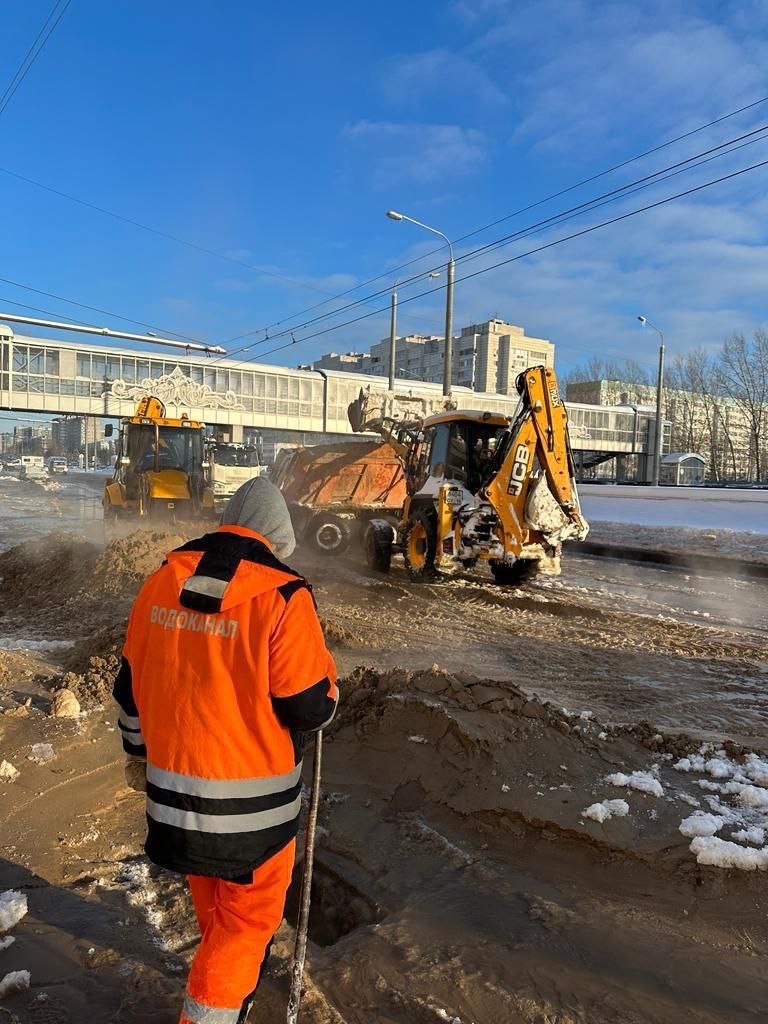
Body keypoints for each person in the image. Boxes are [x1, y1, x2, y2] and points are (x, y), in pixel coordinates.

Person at [113, 477, 338, 1024]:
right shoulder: (283, 594)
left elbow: (129, 687)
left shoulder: (161, 582)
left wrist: (138, 754)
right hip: (253, 824)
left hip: (175, 804)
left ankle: (228, 997)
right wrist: (332, 689)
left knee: (215, 912)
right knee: (245, 926)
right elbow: (309, 707)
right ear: (277, 538)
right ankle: (211, 1013)